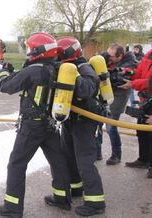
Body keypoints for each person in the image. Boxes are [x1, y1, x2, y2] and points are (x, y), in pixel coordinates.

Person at [0, 32, 70, 218]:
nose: (27, 51)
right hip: (50, 125)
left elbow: (5, 86)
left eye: (29, 48)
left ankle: (12, 208)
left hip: (32, 126)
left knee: (16, 164)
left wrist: (3, 70)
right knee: (57, 160)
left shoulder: (34, 70)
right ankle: (62, 198)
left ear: (37, 51)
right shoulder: (57, 68)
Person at [44, 36, 106, 216]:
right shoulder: (64, 67)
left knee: (85, 160)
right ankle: (76, 188)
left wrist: (72, 76)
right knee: (68, 156)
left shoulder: (84, 67)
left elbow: (87, 89)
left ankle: (96, 202)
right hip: (70, 119)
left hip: (85, 121)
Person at [101, 44, 138, 165]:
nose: (109, 58)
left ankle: (116, 155)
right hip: (106, 93)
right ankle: (97, 152)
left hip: (119, 96)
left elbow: (119, 77)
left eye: (111, 56)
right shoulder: (109, 59)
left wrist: (110, 72)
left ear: (120, 56)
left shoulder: (130, 63)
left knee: (111, 126)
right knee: (98, 123)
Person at [118, 49, 152, 178]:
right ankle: (144, 159)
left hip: (149, 94)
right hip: (146, 98)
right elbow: (139, 72)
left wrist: (133, 84)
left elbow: (149, 82)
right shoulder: (149, 54)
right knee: (142, 131)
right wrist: (127, 73)